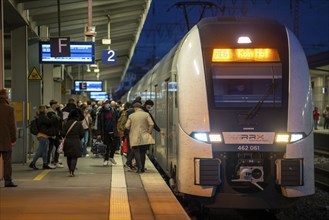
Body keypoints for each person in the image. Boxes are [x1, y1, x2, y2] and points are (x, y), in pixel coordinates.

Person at [125, 101, 154, 173]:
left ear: (135, 108)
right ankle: (142, 168)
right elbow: (151, 124)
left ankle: (139, 168)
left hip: (134, 136)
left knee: (136, 152)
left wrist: (132, 129)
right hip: (144, 136)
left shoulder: (131, 116)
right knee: (142, 152)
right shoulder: (146, 114)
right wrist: (149, 132)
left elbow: (127, 126)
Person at [29, 105, 56, 170]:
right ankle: (32, 163)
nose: (47, 110)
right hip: (43, 136)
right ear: (44, 110)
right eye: (46, 108)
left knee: (44, 151)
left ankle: (45, 164)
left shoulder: (40, 117)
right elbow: (49, 122)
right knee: (40, 151)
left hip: (42, 136)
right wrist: (54, 117)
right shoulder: (43, 117)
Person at [0, 89, 17, 187]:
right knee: (7, 162)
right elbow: (12, 126)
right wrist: (13, 139)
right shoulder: (9, 109)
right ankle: (8, 181)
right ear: (6, 97)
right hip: (6, 140)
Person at [62, 109, 84, 177]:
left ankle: (69, 170)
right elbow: (82, 134)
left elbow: (62, 133)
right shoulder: (78, 124)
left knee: (69, 157)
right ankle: (72, 171)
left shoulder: (66, 123)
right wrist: (78, 138)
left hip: (67, 141)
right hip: (76, 141)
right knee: (74, 157)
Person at [97, 100, 118, 166]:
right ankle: (106, 159)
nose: (107, 105)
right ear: (103, 105)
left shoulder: (113, 111)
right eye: (105, 104)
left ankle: (111, 157)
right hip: (105, 131)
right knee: (106, 146)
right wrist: (99, 133)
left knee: (115, 145)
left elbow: (117, 120)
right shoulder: (101, 112)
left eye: (108, 103)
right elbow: (99, 123)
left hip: (113, 131)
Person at [47, 100, 64, 167]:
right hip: (52, 134)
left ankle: (55, 161)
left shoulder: (57, 112)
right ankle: (47, 163)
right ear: (52, 105)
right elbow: (50, 124)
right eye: (56, 104)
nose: (57, 105)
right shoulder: (50, 113)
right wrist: (52, 134)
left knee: (58, 147)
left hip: (57, 133)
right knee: (50, 149)